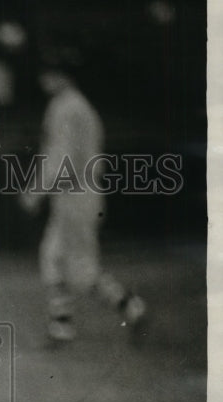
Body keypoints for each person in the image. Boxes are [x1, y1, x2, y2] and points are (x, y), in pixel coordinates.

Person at [22, 62, 147, 344]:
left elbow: (64, 157)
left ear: (61, 75)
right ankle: (61, 325)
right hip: (78, 191)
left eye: (49, 74)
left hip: (75, 192)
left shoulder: (67, 107)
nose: (45, 81)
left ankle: (130, 306)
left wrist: (37, 192)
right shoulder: (76, 106)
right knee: (51, 256)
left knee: (81, 268)